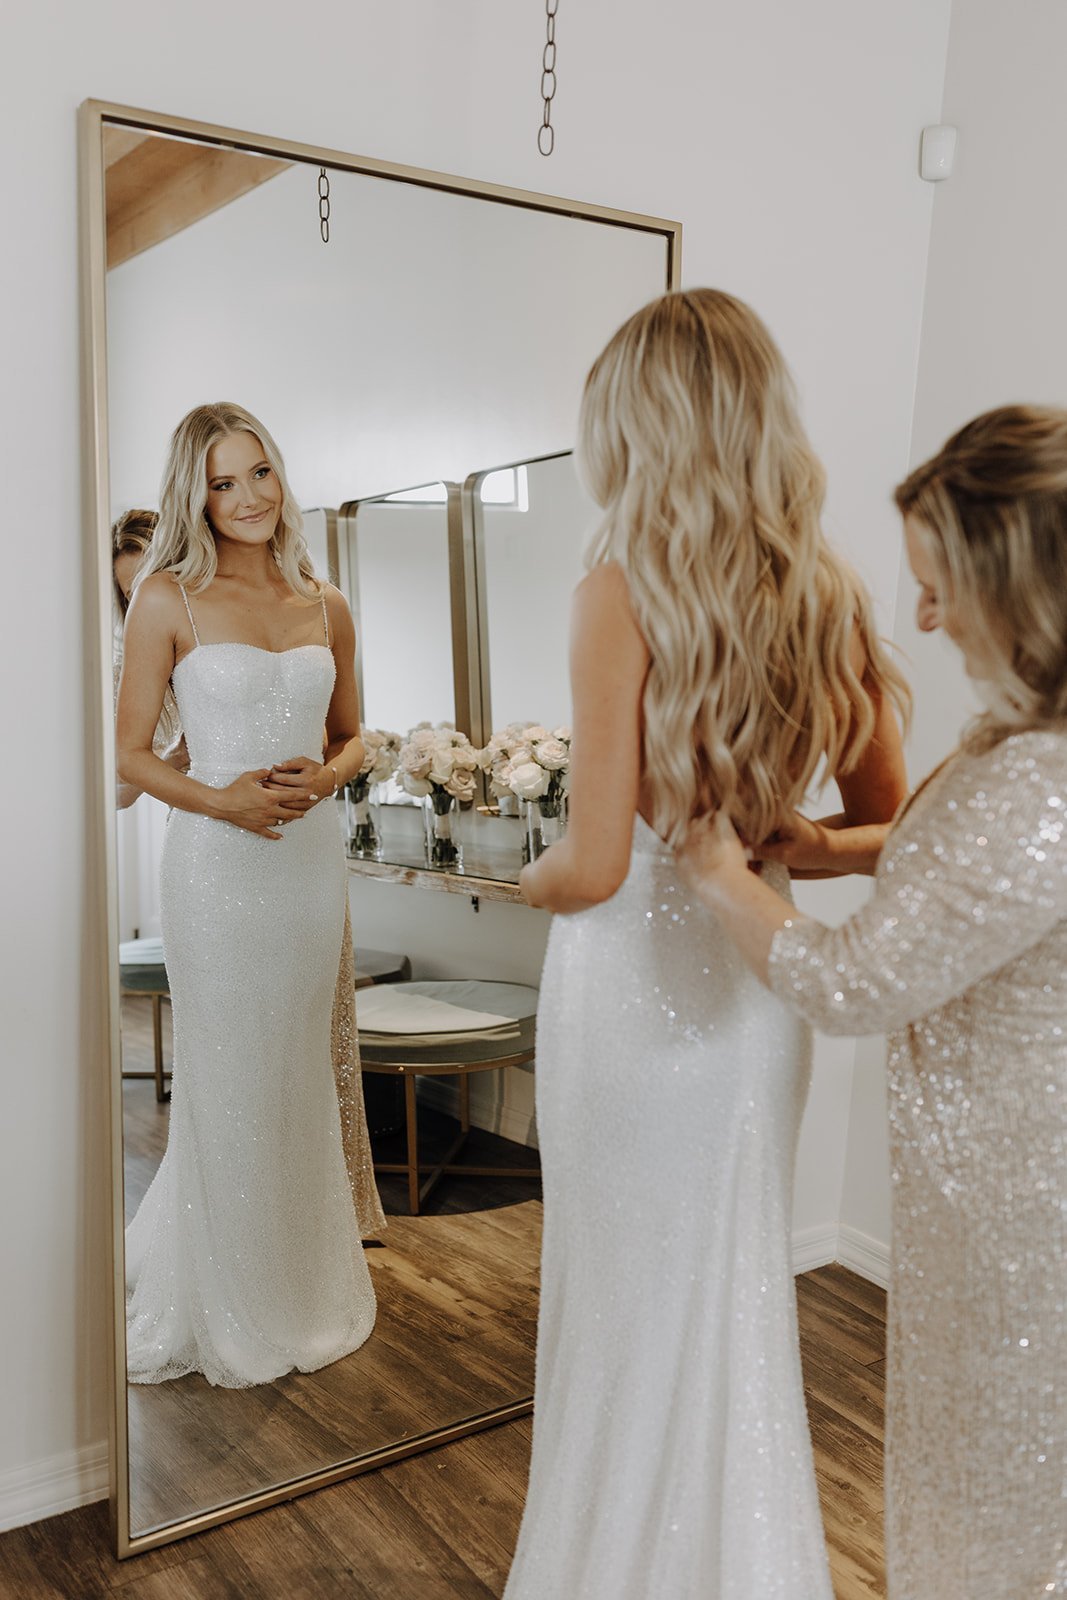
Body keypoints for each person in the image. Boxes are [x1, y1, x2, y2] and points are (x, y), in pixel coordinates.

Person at [504, 289, 910, 1599]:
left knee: (620, 1305)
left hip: (622, 997)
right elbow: (884, 828)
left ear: (639, 426)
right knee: (729, 1295)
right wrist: (772, 849)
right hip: (750, 1007)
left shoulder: (615, 592)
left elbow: (593, 867)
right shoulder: (828, 598)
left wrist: (527, 875)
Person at [678, 404, 1067, 1598]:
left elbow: (847, 986)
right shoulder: (1026, 739)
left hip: (1017, 1215)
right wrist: (830, 846)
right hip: (984, 1195)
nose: (923, 617)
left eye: (940, 584)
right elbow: (958, 863)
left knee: (986, 1499)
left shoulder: (1042, 777)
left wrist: (716, 873)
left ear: (1023, 584)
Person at [116, 401, 377, 1386]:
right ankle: (232, 1296)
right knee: (227, 1077)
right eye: (223, 482)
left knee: (292, 1073)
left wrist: (326, 775)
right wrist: (221, 798)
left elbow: (355, 732)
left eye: (258, 472)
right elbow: (129, 752)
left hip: (307, 873)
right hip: (217, 876)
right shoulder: (166, 600)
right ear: (198, 493)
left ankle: (302, 1284)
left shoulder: (325, 600)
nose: (247, 497)